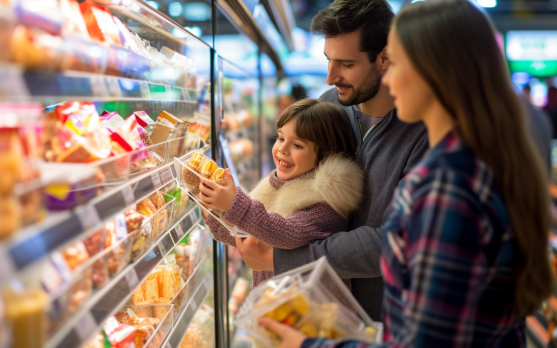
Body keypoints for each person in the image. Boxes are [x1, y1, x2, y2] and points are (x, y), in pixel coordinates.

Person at [258, 0, 554, 347]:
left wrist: (309, 345)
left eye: (394, 62)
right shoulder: (475, 159)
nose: (390, 76)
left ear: (435, 72)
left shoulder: (446, 185)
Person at [234, 0, 429, 322]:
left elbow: (396, 239)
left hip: (382, 320)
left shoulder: (423, 132)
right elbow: (290, 186)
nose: (329, 77)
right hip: (309, 312)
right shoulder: (327, 109)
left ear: (385, 58)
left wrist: (282, 258)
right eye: (328, 60)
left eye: (346, 64)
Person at [199, 98, 363, 290]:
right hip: (274, 310)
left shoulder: (327, 204)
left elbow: (285, 233)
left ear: (327, 154)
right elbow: (247, 239)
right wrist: (212, 209)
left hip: (310, 315)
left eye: (298, 145)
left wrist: (233, 204)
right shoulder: (275, 187)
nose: (282, 150)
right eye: (280, 138)